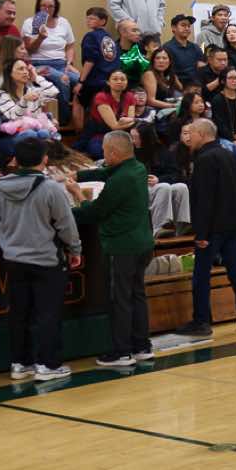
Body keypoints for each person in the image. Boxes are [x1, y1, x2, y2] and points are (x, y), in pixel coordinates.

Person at [0, 137, 81, 381]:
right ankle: (48, 365)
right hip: (46, 260)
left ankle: (20, 364)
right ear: (45, 159)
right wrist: (75, 249)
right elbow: (66, 225)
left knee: (19, 313)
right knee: (48, 313)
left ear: (15, 160)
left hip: (13, 260)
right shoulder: (51, 188)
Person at [69, 129, 155, 369]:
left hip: (123, 246)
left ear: (114, 153)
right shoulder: (137, 168)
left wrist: (77, 194)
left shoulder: (120, 180)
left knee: (120, 299)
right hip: (143, 243)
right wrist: (78, 174)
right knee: (137, 295)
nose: (104, 155)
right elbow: (106, 171)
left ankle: (121, 351)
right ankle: (142, 346)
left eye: (105, 151)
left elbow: (95, 212)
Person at [180, 117, 236, 339]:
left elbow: (204, 199)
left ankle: (202, 321)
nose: (189, 138)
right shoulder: (228, 154)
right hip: (233, 223)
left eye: (191, 133)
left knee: (201, 275)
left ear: (202, 134)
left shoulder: (204, 159)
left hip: (213, 227)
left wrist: (201, 232)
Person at [162, 13, 203, 85]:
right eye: (183, 25)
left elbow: (202, 66)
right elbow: (167, 73)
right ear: (174, 28)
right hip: (176, 87)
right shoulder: (167, 48)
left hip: (197, 86)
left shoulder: (195, 47)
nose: (187, 28)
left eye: (189, 26)